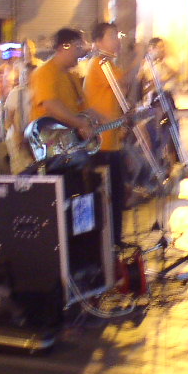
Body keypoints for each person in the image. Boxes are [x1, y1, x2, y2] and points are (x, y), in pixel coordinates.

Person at [82, 22, 134, 245]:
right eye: (112, 36)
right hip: (101, 143)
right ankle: (107, 242)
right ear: (98, 42)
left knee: (118, 192)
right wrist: (139, 57)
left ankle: (115, 239)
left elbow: (122, 92)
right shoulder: (99, 64)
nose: (117, 40)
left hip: (112, 141)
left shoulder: (109, 64)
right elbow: (124, 81)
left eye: (116, 35)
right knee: (108, 194)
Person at [30, 27, 95, 141]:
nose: (80, 53)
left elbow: (81, 108)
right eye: (77, 47)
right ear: (63, 47)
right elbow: (52, 105)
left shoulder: (72, 77)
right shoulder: (44, 72)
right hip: (51, 142)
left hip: (68, 142)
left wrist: (102, 118)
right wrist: (80, 123)